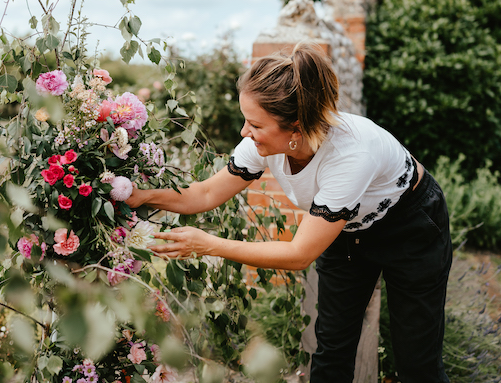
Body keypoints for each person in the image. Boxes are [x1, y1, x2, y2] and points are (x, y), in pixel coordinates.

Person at [126, 43, 452, 383]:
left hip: (410, 226)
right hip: (345, 231)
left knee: (417, 364)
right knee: (331, 350)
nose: (244, 133)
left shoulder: (350, 155)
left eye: (254, 124)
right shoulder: (263, 142)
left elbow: (299, 254)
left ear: (295, 127)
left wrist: (207, 244)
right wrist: (143, 196)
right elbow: (205, 193)